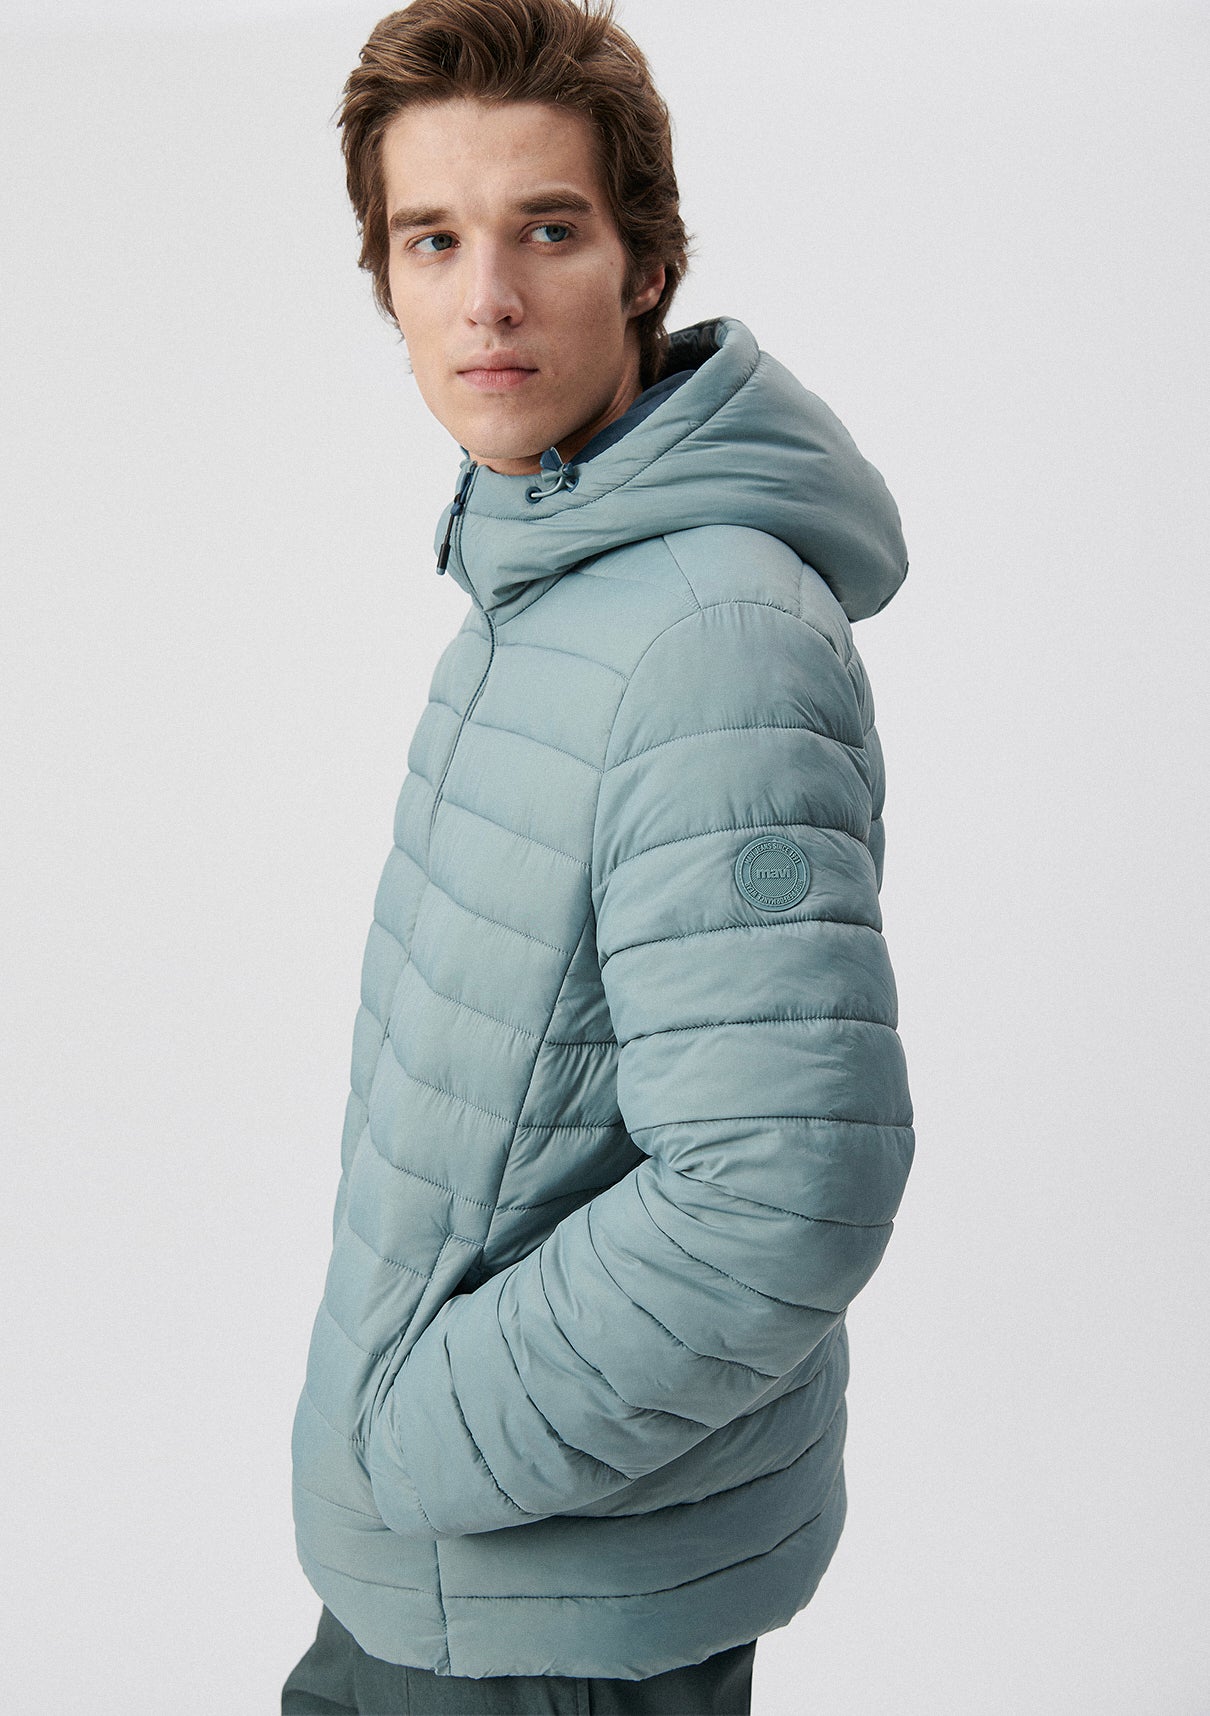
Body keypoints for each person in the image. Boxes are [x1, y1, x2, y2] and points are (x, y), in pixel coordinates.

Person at [282, 1, 915, 1710]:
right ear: (385, 276)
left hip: (538, 1607)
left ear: (648, 267)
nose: (485, 296)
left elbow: (781, 1190)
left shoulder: (708, 632)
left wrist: (416, 1437)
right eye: (433, 238)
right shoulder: (550, 576)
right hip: (464, 1576)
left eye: (547, 230)